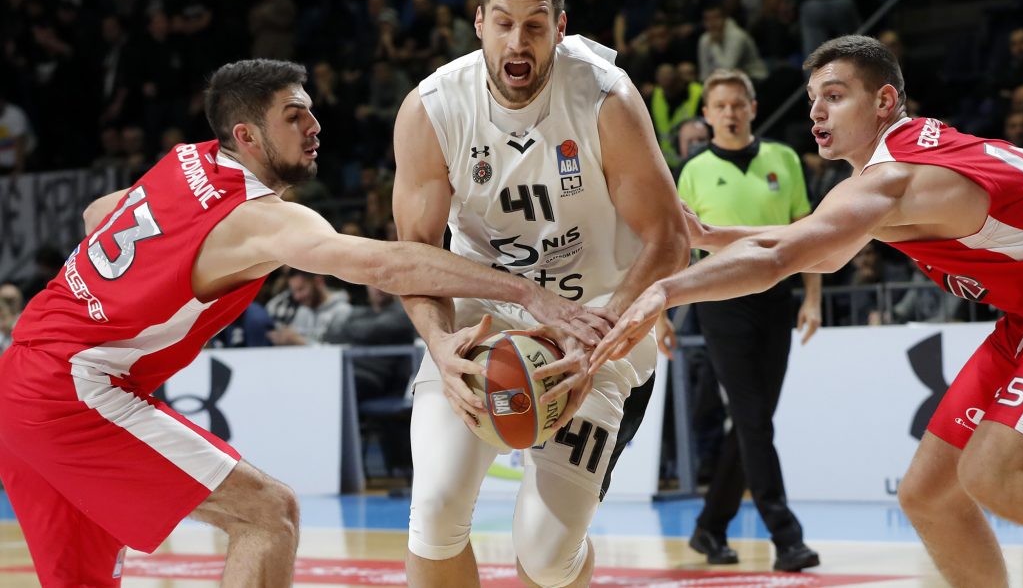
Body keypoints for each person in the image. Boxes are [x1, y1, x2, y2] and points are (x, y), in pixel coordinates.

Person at [0, 58, 609, 588]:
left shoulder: (184, 162)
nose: (315, 126)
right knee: (269, 515)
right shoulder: (256, 218)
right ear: (247, 135)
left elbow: (98, 212)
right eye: (294, 117)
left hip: (19, 378)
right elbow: (386, 264)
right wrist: (525, 292)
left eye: (311, 112)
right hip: (72, 391)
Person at [593, 34, 1023, 587]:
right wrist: (712, 235)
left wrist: (664, 291)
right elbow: (825, 248)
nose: (817, 111)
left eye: (835, 96)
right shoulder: (895, 165)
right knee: (928, 495)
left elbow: (781, 257)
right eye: (813, 97)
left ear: (884, 101)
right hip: (1017, 320)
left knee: (991, 474)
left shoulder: (895, 179)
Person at [393, 0, 688, 588]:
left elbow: (669, 241)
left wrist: (597, 341)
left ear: (560, 27)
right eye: (503, 23)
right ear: (479, 22)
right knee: (435, 509)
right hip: (481, 321)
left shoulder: (605, 98)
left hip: (596, 326)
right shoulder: (432, 109)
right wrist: (439, 344)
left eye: (534, 25)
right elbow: (414, 257)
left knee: (548, 556)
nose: (517, 42)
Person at [677, 68, 821, 570]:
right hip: (720, 301)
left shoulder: (784, 159)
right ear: (707, 114)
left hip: (777, 299)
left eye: (739, 104)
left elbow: (807, 234)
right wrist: (662, 313)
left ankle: (709, 528)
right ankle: (786, 536)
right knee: (754, 420)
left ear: (753, 108)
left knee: (752, 422)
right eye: (720, 106)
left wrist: (812, 298)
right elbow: (677, 246)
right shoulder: (692, 170)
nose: (730, 113)